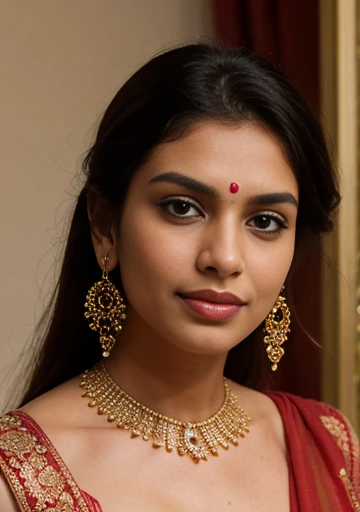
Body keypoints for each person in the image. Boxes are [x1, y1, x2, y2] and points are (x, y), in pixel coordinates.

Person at [0, 42, 358, 511]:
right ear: (105, 224)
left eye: (266, 220)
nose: (225, 258)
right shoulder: (16, 478)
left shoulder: (332, 450)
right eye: (182, 208)